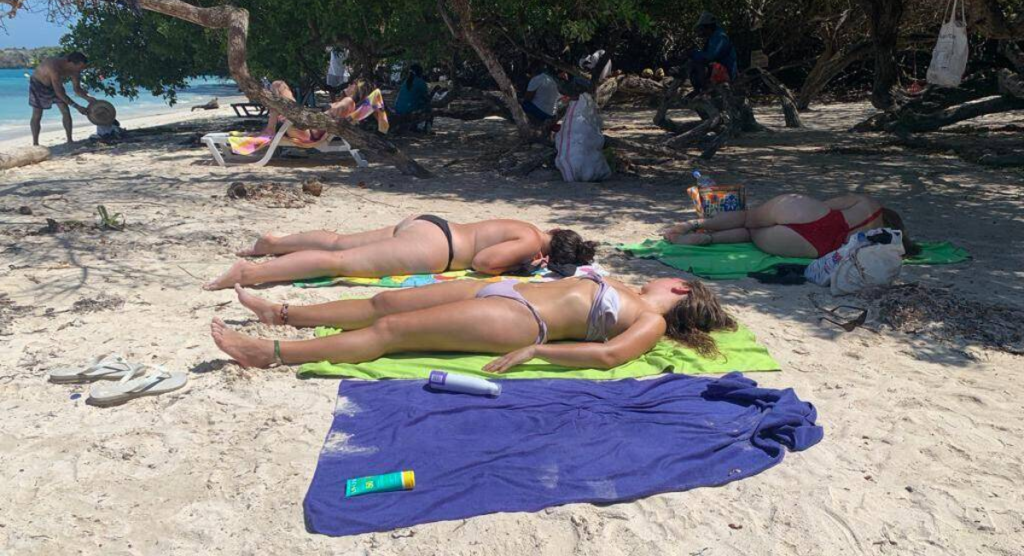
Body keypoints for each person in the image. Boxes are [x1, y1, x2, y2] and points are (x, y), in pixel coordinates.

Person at [210, 272, 736, 370]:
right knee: (385, 304)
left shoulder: (652, 320)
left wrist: (537, 351)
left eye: (669, 279)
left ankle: (269, 353)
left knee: (391, 334)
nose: (658, 278)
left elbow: (608, 356)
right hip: (506, 289)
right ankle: (280, 313)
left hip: (520, 318)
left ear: (681, 290)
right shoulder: (627, 289)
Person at [204, 216, 599, 290]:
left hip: (430, 224)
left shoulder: (527, 226)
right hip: (438, 249)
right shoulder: (530, 244)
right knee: (341, 263)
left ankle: (273, 244)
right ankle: (250, 274)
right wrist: (522, 267)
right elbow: (483, 263)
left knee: (339, 242)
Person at [663, 193, 921, 259]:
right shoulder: (885, 242)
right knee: (752, 234)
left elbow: (827, 204)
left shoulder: (869, 203)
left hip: (814, 215)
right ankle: (709, 239)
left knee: (748, 217)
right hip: (817, 246)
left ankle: (693, 224)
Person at [259, 78, 385, 142]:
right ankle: (271, 128)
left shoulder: (348, 102)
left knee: (278, 85)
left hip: (307, 130)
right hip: (306, 128)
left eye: (353, 84)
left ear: (358, 90)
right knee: (279, 89)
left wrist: (298, 116)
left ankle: (270, 129)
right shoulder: (347, 103)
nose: (349, 84)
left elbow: (328, 118)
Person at [28, 52, 96, 146]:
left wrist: (89, 98)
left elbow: (77, 89)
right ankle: (35, 143)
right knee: (37, 114)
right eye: (80, 67)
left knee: (65, 111)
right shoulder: (54, 67)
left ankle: (69, 140)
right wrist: (77, 106)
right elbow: (59, 93)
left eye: (83, 68)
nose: (81, 70)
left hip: (55, 85)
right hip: (39, 84)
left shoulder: (75, 70)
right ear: (71, 63)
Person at [688, 12, 738, 94]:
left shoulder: (720, 37)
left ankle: (702, 89)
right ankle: (700, 89)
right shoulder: (713, 37)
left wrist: (694, 53)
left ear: (708, 27)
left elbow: (710, 56)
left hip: (726, 71)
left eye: (702, 29)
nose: (702, 32)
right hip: (721, 69)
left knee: (697, 64)